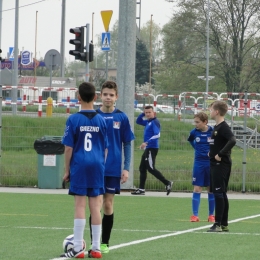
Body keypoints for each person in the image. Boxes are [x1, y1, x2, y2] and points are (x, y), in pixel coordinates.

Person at [60, 82, 108, 258]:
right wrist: (100, 164)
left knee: (80, 205)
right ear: (95, 97)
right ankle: (95, 248)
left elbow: (68, 148)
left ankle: (78, 248)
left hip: (79, 165)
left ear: (78, 97)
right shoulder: (101, 120)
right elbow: (105, 148)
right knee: (95, 206)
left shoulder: (73, 119)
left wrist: (67, 170)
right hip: (97, 165)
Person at [89, 80, 135, 254]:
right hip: (95, 167)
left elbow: (127, 144)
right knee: (96, 205)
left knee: (107, 205)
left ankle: (105, 243)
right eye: (105, 94)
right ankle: (94, 243)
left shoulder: (121, 117)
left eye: (111, 95)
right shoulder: (93, 116)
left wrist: (126, 168)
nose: (108, 97)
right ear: (100, 95)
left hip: (113, 168)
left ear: (116, 97)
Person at [207, 100, 236, 232]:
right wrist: (211, 152)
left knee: (219, 193)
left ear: (217, 111)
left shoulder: (223, 127)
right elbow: (217, 142)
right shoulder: (217, 127)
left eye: (211, 109)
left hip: (221, 164)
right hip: (215, 163)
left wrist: (220, 154)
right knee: (221, 193)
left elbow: (232, 140)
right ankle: (224, 223)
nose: (210, 111)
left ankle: (217, 223)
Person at [131, 105, 173, 196]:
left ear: (154, 112)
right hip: (148, 148)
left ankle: (167, 183)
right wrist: (143, 113)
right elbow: (138, 121)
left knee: (151, 168)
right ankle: (141, 189)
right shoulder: (148, 122)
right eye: (146, 113)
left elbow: (157, 135)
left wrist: (146, 142)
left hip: (152, 148)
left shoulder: (154, 122)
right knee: (142, 168)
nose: (148, 114)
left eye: (150, 112)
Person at [187, 112, 215, 222]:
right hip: (198, 163)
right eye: (195, 122)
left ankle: (211, 215)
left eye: (198, 122)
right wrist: (197, 148)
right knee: (197, 188)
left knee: (210, 189)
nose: (196, 124)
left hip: (210, 163)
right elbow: (190, 140)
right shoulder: (194, 132)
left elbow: (218, 144)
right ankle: (195, 215)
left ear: (205, 122)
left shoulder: (213, 132)